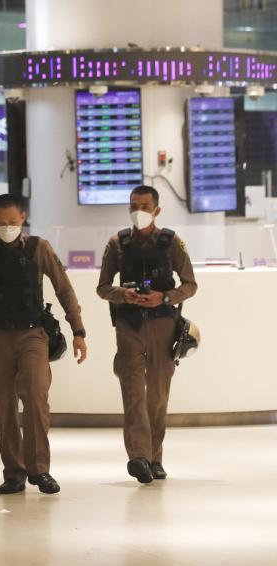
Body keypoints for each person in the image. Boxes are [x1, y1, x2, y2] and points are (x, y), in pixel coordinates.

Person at [0, 193, 87, 495]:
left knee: (36, 397)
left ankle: (40, 470)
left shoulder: (39, 248)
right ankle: (14, 473)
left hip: (32, 333)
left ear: (22, 218)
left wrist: (78, 330)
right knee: (5, 406)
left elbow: (64, 289)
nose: (6, 227)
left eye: (12, 222)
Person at [97, 185, 197, 484]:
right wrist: (123, 294)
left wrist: (165, 297)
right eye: (133, 205)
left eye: (144, 205)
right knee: (133, 392)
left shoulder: (171, 242)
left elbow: (190, 284)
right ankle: (138, 457)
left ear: (157, 209)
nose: (138, 210)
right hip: (128, 325)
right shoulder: (117, 243)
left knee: (157, 395)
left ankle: (155, 458)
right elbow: (102, 288)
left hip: (163, 323)